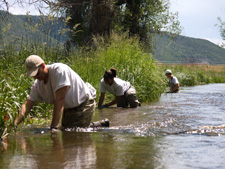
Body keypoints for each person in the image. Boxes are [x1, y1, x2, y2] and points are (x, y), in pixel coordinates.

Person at [14, 55, 109, 130]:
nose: (35, 77)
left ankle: (97, 125)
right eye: (32, 75)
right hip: (69, 107)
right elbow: (27, 105)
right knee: (67, 130)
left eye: (37, 73)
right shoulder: (37, 85)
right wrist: (13, 124)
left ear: (43, 66)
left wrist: (53, 128)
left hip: (84, 103)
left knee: (75, 133)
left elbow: (60, 100)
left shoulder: (59, 71)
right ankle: (102, 123)